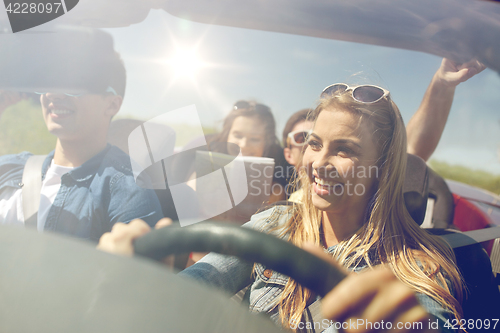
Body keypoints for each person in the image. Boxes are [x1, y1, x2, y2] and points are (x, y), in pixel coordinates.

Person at [97, 83, 463, 332]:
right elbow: (201, 283)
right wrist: (143, 282)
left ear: (382, 168)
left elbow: (429, 321)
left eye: (344, 149)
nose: (318, 162)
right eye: (314, 144)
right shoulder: (276, 223)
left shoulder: (417, 264)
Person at [0, 29, 163, 242]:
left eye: (74, 85)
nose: (53, 94)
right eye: (49, 82)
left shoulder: (126, 190)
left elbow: (138, 272)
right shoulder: (12, 167)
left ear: (112, 104)